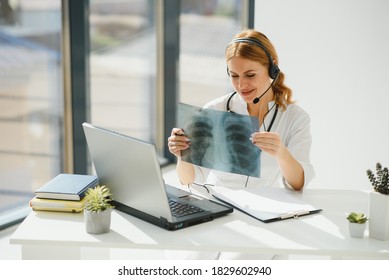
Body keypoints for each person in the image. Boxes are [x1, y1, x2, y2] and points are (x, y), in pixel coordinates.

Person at [166, 29, 315, 259]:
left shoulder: (295, 118)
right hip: (213, 204)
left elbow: (297, 184)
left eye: (250, 75)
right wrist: (181, 154)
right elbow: (189, 180)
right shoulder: (213, 109)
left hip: (262, 211)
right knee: (185, 261)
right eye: (234, 76)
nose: (241, 84)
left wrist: (281, 153)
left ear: (272, 69)